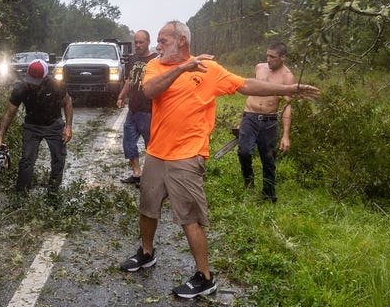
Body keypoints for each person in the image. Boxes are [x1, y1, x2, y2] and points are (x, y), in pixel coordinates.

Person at [119, 21, 319, 299]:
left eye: (164, 41)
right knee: (147, 208)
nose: (158, 46)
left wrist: (290, 89)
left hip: (187, 155)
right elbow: (151, 90)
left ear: (182, 42)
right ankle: (146, 252)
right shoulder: (156, 66)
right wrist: (181, 69)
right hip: (156, 153)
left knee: (189, 218)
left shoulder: (209, 70)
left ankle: (205, 277)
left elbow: (245, 84)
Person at [0, 59, 73, 194]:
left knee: (59, 158)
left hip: (54, 125)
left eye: (36, 82)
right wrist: (0, 138)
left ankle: (53, 192)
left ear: (45, 78)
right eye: (30, 80)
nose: (32, 85)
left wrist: (68, 127)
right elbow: (9, 114)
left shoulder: (56, 86)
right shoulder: (21, 89)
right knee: (27, 160)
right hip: (32, 126)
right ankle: (21, 193)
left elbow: (68, 103)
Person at [237, 42, 295, 203]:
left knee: (268, 159)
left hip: (269, 121)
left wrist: (285, 136)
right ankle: (248, 183)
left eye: (273, 57)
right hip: (250, 116)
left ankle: (268, 195)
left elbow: (287, 106)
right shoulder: (259, 68)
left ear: (283, 57)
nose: (268, 60)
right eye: (267, 56)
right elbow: (250, 92)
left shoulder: (287, 76)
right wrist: (241, 120)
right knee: (244, 152)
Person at [116, 30, 158, 186]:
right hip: (132, 110)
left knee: (151, 147)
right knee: (128, 143)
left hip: (149, 111)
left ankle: (150, 177)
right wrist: (121, 96)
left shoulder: (156, 60)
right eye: (136, 42)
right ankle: (137, 173)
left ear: (148, 42)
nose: (138, 45)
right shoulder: (132, 59)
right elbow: (129, 80)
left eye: (141, 42)